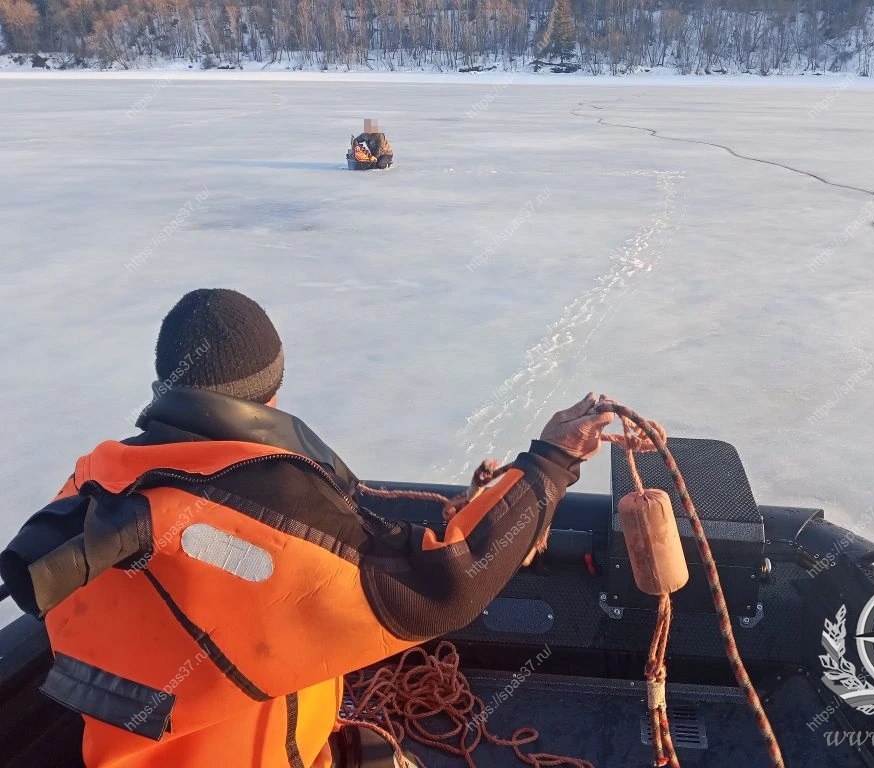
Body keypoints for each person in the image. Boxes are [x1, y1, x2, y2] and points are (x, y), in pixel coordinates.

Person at [0, 288, 615, 768]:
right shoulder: (267, 506)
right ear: (272, 390)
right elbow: (444, 586)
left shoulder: (93, 478)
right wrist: (551, 463)